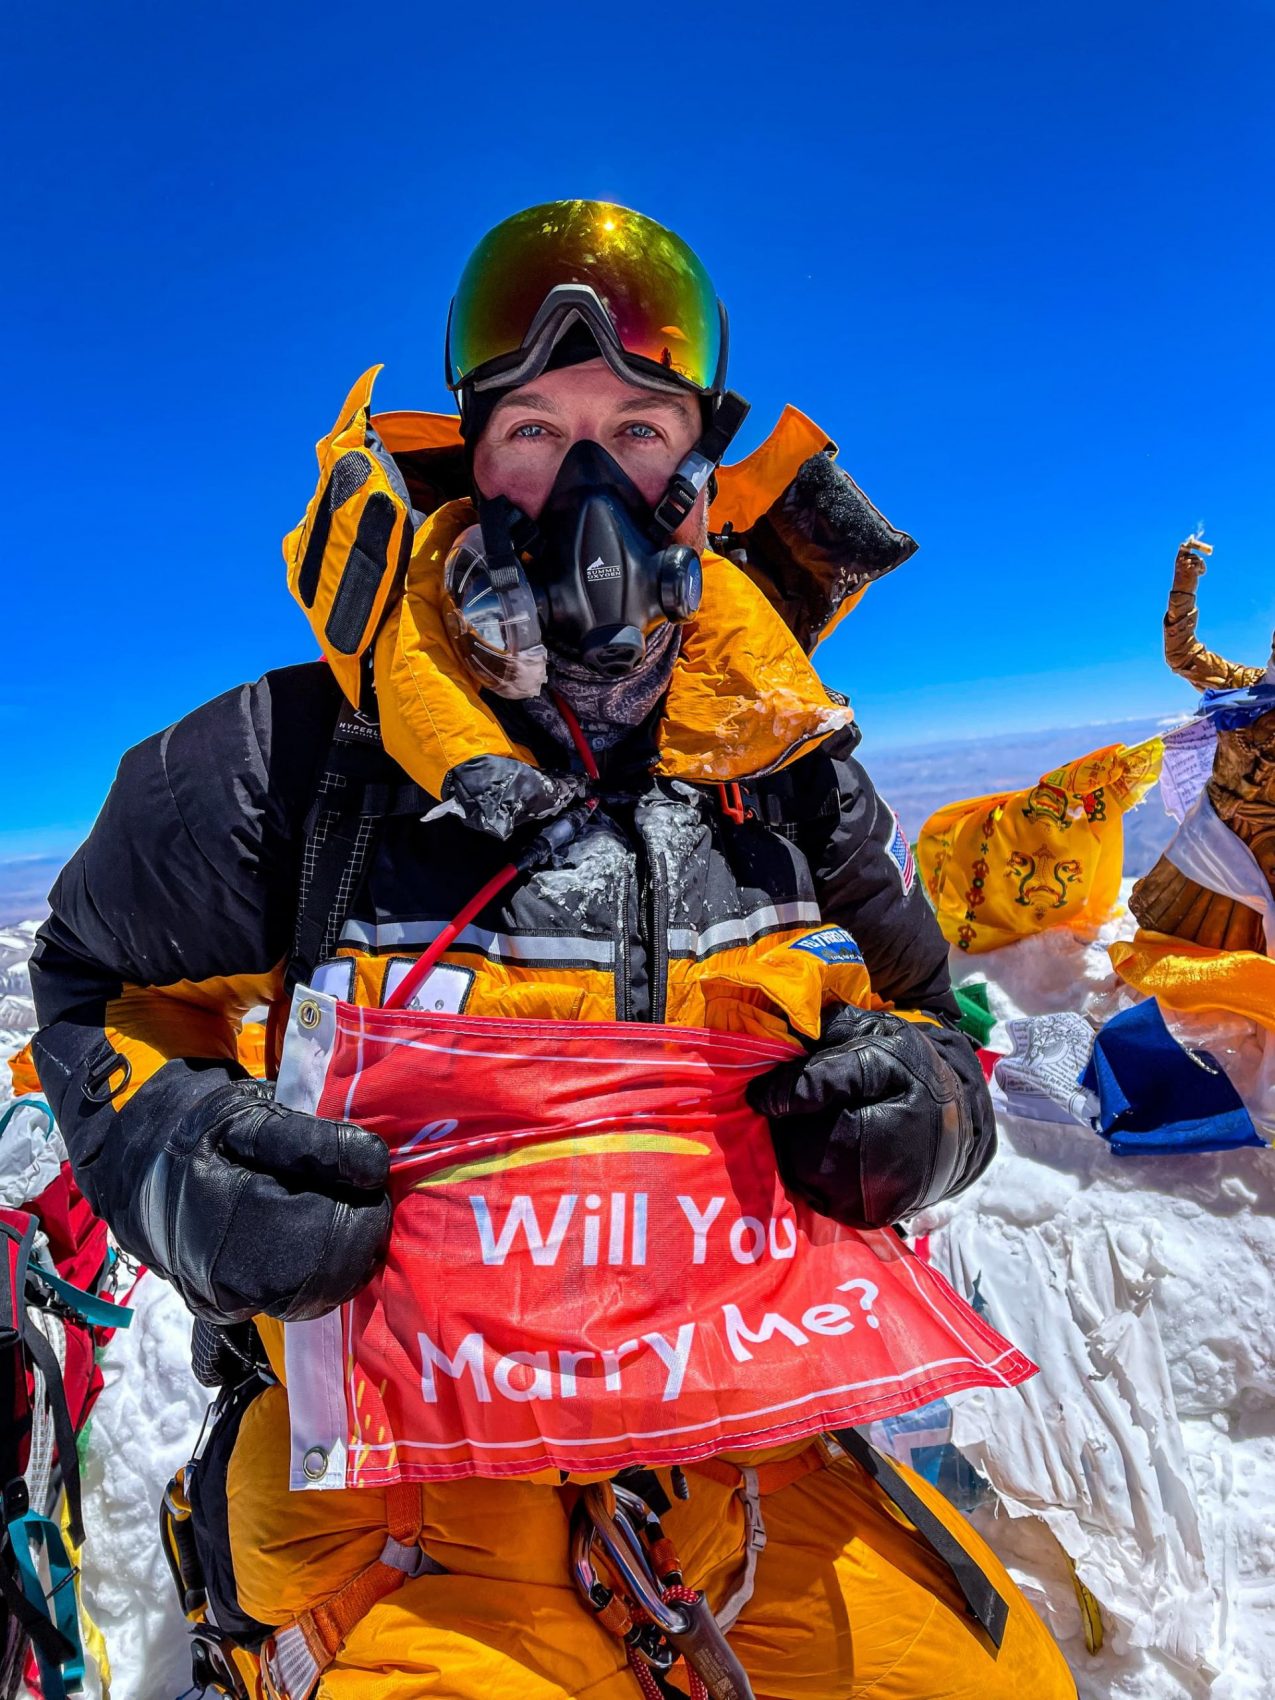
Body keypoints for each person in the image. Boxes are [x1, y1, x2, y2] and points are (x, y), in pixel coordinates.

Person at [30, 200, 1075, 1698]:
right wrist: (170, 1158)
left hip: (749, 1458)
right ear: (469, 461)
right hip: (393, 1494)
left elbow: (933, 1013)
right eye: (536, 433)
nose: (587, 481)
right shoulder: (288, 762)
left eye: (636, 429)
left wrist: (932, 1112)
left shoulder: (789, 775)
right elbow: (92, 990)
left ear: (697, 477)